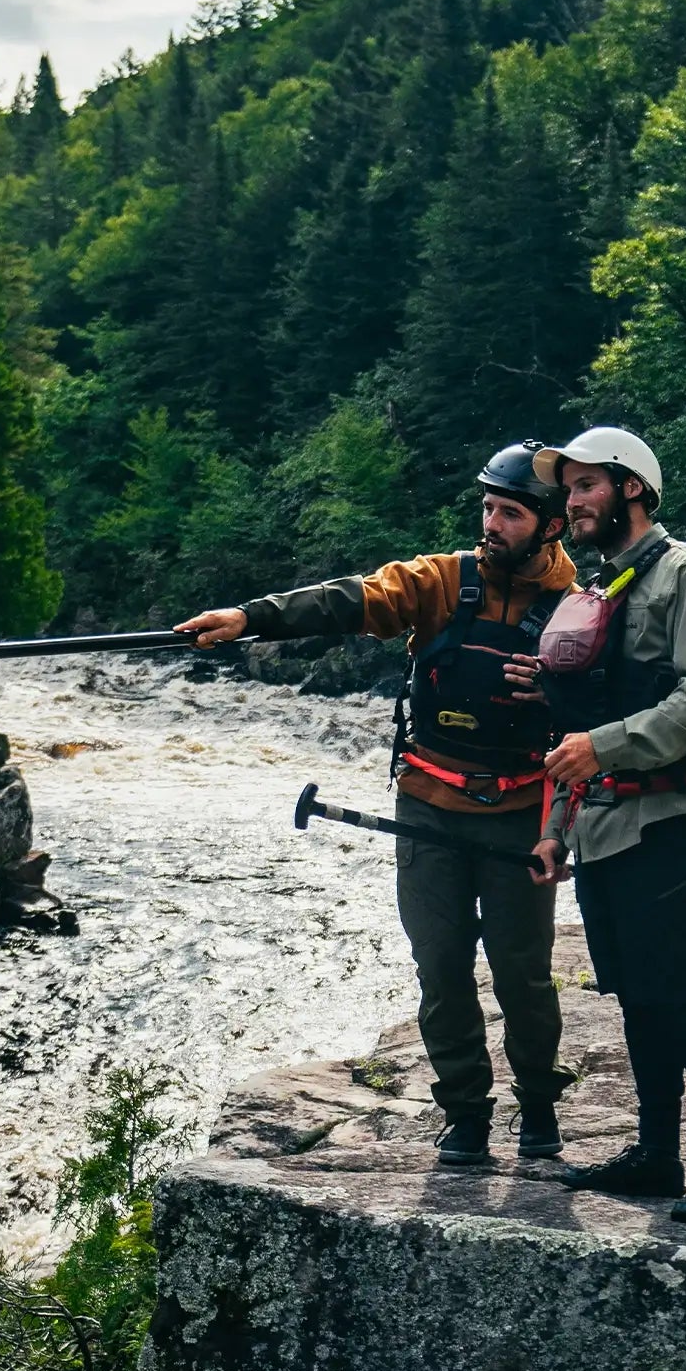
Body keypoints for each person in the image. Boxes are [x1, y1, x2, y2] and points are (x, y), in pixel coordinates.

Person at [176, 442, 576, 1167]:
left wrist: (555, 692)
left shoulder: (580, 610)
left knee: (523, 972)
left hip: (520, 815)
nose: (491, 522)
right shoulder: (438, 581)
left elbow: (596, 719)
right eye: (487, 507)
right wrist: (249, 617)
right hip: (427, 806)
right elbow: (350, 600)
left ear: (550, 525)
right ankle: (465, 1114)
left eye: (509, 513)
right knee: (441, 967)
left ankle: (540, 1107)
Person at [527, 426, 686, 1224]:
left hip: (664, 822)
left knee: (677, 999)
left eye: (586, 485)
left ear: (631, 487)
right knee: (637, 1000)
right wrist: (558, 825)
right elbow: (580, 726)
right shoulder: (605, 587)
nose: (573, 500)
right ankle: (658, 1155)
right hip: (602, 825)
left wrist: (605, 747)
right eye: (568, 489)